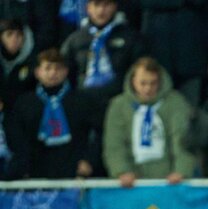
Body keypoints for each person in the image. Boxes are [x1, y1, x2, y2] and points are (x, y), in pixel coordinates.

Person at [6, 48, 98, 179]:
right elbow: (17, 138)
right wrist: (22, 165)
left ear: (65, 72)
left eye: (58, 68)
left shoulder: (82, 101)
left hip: (75, 171)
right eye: (48, 68)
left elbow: (98, 133)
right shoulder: (24, 103)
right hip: (34, 172)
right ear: (38, 72)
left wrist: (89, 160)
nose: (53, 73)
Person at [102, 56, 195, 187]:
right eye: (143, 83)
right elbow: (114, 143)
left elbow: (183, 140)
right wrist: (121, 171)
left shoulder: (176, 102)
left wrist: (181, 170)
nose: (148, 89)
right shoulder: (118, 106)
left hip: (169, 181)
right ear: (133, 81)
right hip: (132, 183)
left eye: (153, 83)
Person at [61, 0, 145, 111]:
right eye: (96, 5)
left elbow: (139, 71)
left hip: (119, 102)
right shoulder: (75, 40)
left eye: (106, 5)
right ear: (88, 8)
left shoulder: (131, 38)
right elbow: (65, 71)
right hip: (82, 102)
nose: (101, 10)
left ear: (115, 7)